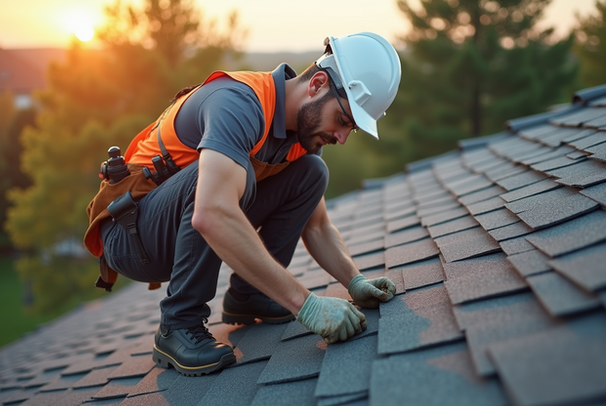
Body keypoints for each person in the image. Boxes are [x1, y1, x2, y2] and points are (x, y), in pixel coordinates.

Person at [84, 32, 401, 377]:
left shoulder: (302, 135)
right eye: (343, 120)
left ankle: (250, 296)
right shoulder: (240, 103)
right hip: (130, 234)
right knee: (225, 181)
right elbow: (211, 213)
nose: (341, 137)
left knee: (312, 172)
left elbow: (318, 225)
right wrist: (305, 305)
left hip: (174, 227)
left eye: (351, 129)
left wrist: (354, 282)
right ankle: (177, 323)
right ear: (317, 84)